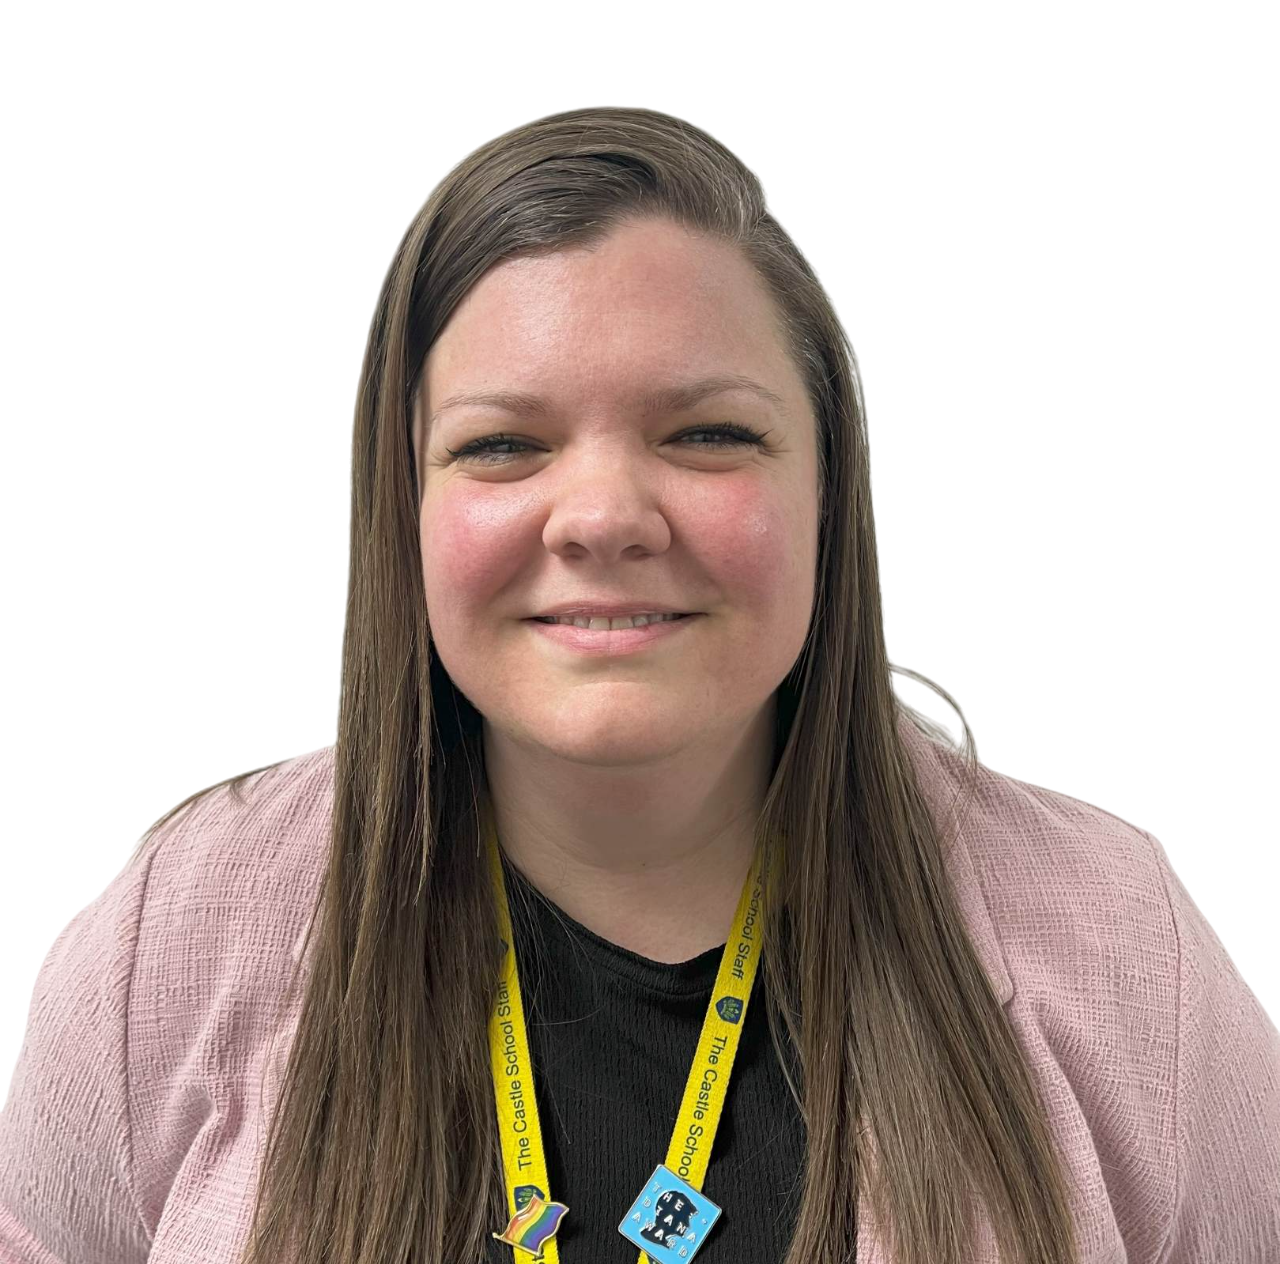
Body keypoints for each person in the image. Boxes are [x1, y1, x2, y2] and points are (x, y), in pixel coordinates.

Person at [3, 105, 1277, 1264]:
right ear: (401, 508)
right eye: (504, 443)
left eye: (707, 434)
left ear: (829, 495)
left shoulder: (1126, 944)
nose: (603, 517)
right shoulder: (166, 941)